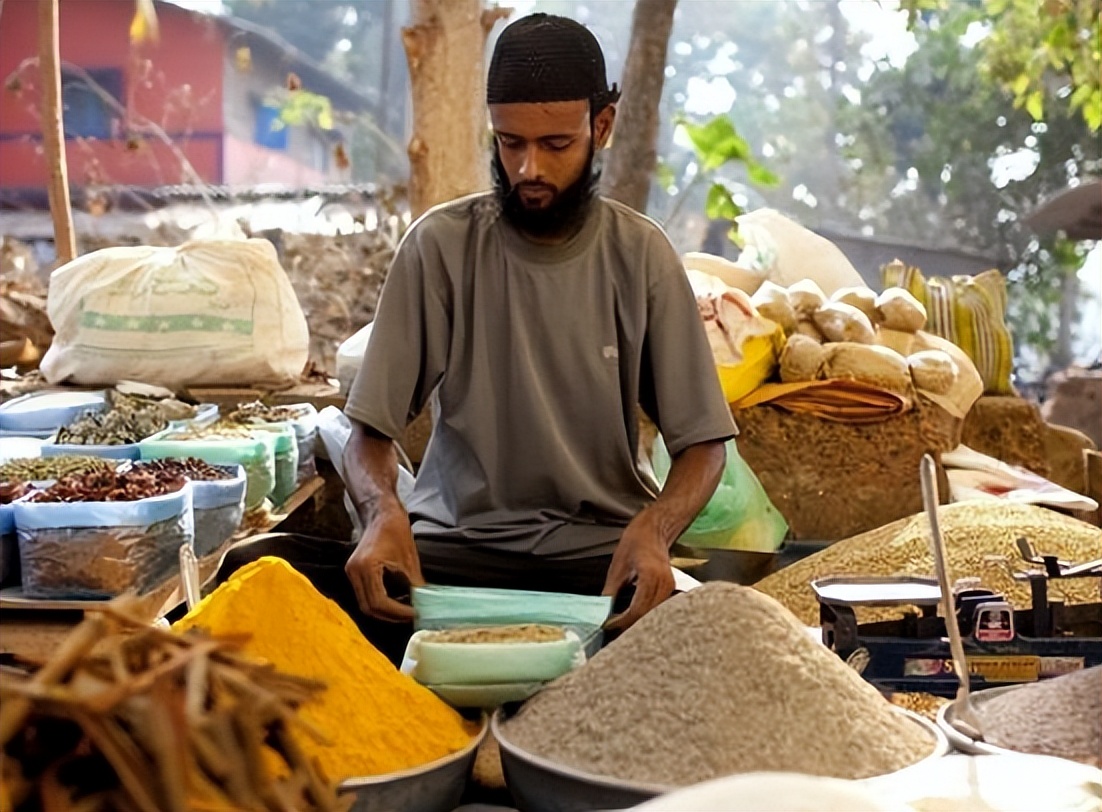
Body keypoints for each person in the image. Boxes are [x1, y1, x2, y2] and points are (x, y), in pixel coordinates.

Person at [221, 13, 735, 666]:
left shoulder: (642, 257)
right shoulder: (439, 248)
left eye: (556, 143)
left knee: (720, 636)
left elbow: (704, 448)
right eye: (509, 141)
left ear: (601, 128)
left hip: (602, 566)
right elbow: (369, 433)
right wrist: (382, 513)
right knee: (256, 571)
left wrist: (655, 530)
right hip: (450, 561)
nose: (528, 168)